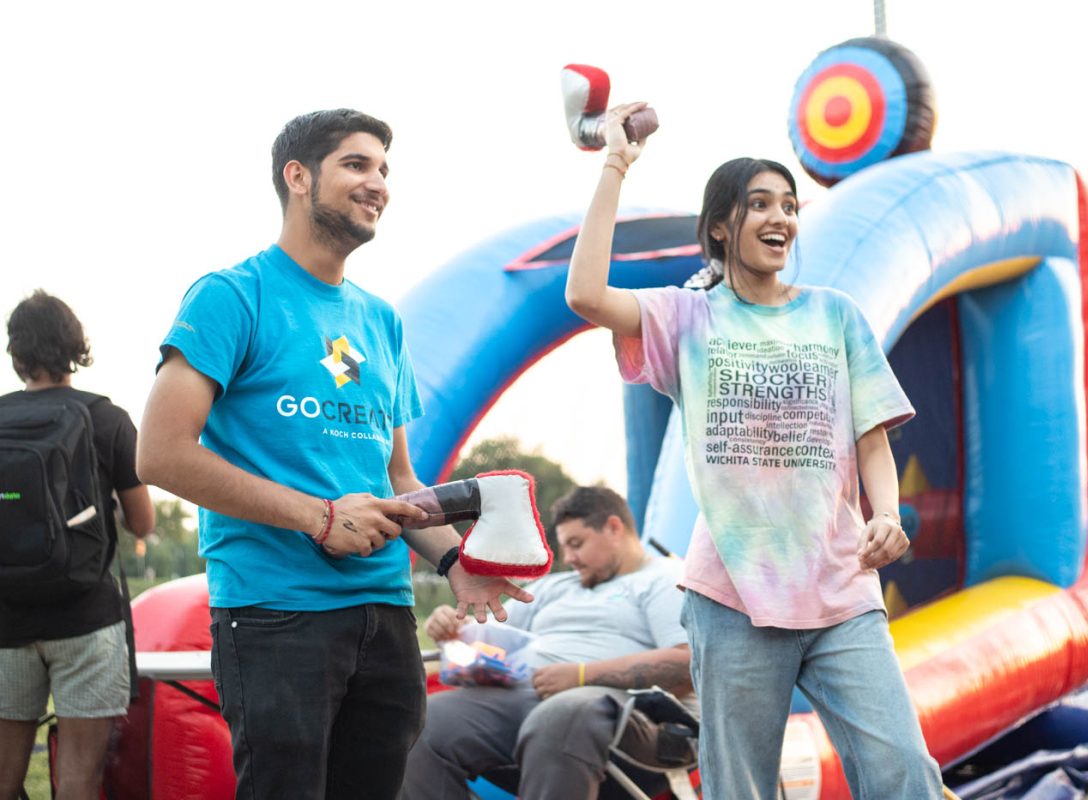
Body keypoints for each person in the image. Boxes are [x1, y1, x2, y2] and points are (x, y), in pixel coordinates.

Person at [136, 109, 532, 800]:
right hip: (274, 612)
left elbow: (398, 479)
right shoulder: (233, 296)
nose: (377, 182)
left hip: (384, 614)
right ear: (298, 177)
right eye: (356, 164)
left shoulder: (382, 320)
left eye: (383, 169)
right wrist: (321, 518)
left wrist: (454, 562)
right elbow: (161, 454)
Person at [563, 104, 945, 799]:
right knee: (741, 786)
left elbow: (872, 441)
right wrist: (615, 162)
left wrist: (885, 512)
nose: (781, 218)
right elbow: (585, 293)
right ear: (719, 227)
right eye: (759, 203)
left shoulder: (835, 314)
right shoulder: (687, 317)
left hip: (841, 587)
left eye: (790, 205)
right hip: (732, 595)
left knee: (904, 774)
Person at [400, 485, 692, 800]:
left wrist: (582, 676)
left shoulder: (663, 579)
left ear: (613, 527)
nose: (569, 558)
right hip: (525, 696)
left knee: (559, 716)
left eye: (577, 544)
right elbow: (493, 633)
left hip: (624, 714)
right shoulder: (555, 587)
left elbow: (690, 663)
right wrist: (453, 627)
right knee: (424, 722)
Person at [0, 291, 156, 800]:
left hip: (6, 624)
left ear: (16, 353)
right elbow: (143, 523)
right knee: (78, 782)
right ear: (75, 346)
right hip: (88, 622)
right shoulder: (107, 418)